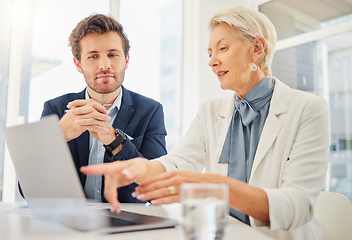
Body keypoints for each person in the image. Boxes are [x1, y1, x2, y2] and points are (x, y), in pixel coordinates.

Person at [80, 6, 329, 240]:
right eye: (210, 53)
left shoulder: (307, 109)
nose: (212, 61)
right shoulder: (211, 111)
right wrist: (143, 169)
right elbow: (179, 161)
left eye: (222, 48)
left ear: (257, 48)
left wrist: (212, 185)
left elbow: (295, 206)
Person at [38, 14, 167, 204]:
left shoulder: (150, 111)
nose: (104, 65)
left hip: (125, 227)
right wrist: (58, 136)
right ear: (78, 64)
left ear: (127, 60)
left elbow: (157, 188)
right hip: (69, 226)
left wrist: (114, 140)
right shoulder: (55, 109)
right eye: (93, 56)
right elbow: (28, 190)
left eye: (113, 54)